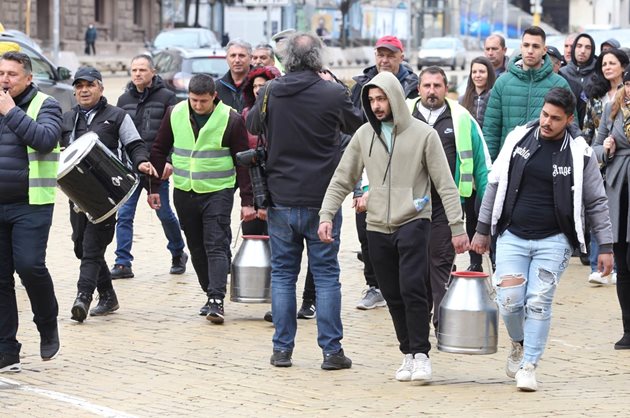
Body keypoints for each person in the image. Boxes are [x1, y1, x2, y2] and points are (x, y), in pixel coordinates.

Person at [319, 71, 469, 383]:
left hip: (413, 220)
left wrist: (457, 227)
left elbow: (445, 183)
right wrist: (326, 214)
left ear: (395, 98)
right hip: (376, 225)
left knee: (412, 287)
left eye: (381, 98)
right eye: (371, 100)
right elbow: (342, 177)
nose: (376, 105)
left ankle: (422, 354)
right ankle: (407, 353)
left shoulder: (424, 135)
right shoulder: (363, 136)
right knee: (390, 291)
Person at [472, 88, 614, 391]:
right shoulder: (518, 139)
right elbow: (495, 184)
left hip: (554, 240)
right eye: (544, 115)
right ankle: (519, 342)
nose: (547, 122)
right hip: (512, 234)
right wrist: (482, 229)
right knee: (509, 302)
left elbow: (597, 201)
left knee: (538, 301)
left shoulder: (580, 153)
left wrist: (606, 246)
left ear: (569, 119)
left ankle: (529, 365)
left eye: (555, 118)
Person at [246, 32, 363, 369]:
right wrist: (335, 86)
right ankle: (331, 352)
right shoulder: (331, 92)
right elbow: (357, 123)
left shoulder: (270, 91)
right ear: (317, 59)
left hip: (280, 197)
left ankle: (282, 350)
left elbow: (252, 123)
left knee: (283, 275)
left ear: (286, 59)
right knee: (326, 275)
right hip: (323, 200)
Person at [149, 74, 256, 324]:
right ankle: (209, 292)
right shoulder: (174, 113)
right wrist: (153, 187)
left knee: (215, 243)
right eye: (194, 100)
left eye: (203, 101)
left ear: (214, 97)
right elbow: (159, 149)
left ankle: (217, 299)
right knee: (196, 246)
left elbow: (243, 163)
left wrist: (247, 201)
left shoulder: (231, 119)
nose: (198, 106)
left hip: (218, 191)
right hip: (185, 191)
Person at [61, 66, 157, 323]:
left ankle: (82, 297)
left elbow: (135, 144)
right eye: (79, 86)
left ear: (100, 88)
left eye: (89, 85)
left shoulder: (116, 116)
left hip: (108, 194)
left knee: (92, 247)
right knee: (81, 247)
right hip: (78, 197)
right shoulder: (68, 119)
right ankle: (108, 295)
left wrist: (141, 162)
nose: (83, 90)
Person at [409, 66, 490, 330]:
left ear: (446, 88)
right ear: (418, 88)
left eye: (437, 86)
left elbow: (482, 164)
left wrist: (486, 213)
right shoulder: (404, 114)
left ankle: (441, 323)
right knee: (414, 267)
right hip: (408, 207)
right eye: (427, 86)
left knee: (440, 263)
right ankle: (418, 319)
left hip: (446, 206)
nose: (432, 91)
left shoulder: (462, 118)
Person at [0, 51, 62, 372]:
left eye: (11, 74)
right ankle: (6, 348)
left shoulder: (46, 105)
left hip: (31, 203)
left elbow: (46, 140)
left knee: (29, 266)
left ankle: (47, 323)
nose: (4, 80)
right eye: (0, 73)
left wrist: (11, 112)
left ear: (28, 78)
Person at [242, 65, 317, 321]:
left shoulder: (289, 109)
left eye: (263, 87)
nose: (259, 90)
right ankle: (281, 318)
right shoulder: (252, 112)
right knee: (283, 267)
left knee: (309, 266)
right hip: (270, 192)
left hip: (292, 195)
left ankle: (306, 304)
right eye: (255, 88)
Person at [350, 35, 418, 310]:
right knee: (366, 229)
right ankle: (374, 285)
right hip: (368, 167)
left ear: (401, 56)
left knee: (404, 229)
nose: (385, 60)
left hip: (404, 169)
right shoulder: (360, 86)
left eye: (390, 55)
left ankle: (403, 283)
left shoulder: (412, 87)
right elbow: (350, 129)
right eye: (380, 54)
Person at [110, 54, 188, 279]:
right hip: (130, 169)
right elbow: (117, 133)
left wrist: (170, 160)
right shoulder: (124, 100)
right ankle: (123, 262)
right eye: (134, 70)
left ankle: (177, 252)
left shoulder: (168, 97)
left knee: (164, 213)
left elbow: (178, 132)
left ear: (153, 72)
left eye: (142, 70)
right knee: (124, 214)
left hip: (157, 167)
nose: (137, 74)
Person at [483, 26, 573, 161]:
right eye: (526, 45)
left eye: (536, 46)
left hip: (546, 163)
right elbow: (491, 131)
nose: (530, 51)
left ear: (544, 50)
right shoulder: (502, 83)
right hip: (509, 163)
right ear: (521, 47)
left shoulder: (560, 84)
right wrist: (490, 168)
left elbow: (571, 128)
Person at [582, 49, 628, 286]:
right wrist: (603, 150)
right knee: (603, 218)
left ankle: (619, 267)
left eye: (613, 63)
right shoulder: (605, 102)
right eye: (604, 64)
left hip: (621, 169)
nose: (607, 67)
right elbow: (592, 141)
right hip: (608, 171)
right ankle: (601, 266)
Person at [592, 67, 630, 349]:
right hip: (618, 189)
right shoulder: (611, 110)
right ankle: (628, 328)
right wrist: (605, 148)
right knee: (622, 261)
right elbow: (593, 150)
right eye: (627, 85)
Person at [559, 32, 598, 129]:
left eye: (587, 47)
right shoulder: (561, 73)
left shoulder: (599, 74)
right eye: (579, 46)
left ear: (592, 50)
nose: (583, 51)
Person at [216, 39, 252, 113]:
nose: (237, 60)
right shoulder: (216, 87)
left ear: (250, 58)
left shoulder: (260, 85)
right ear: (227, 58)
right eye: (233, 56)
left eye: (241, 56)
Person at [460, 56, 496, 127]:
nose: (477, 75)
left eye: (482, 72)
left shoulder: (495, 97)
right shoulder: (462, 100)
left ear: (489, 74)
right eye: (474, 72)